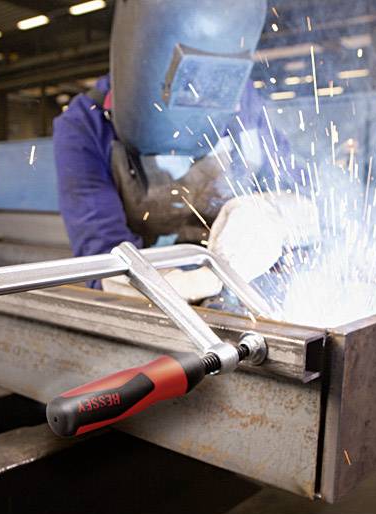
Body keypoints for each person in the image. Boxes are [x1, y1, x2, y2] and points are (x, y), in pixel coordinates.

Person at [53, 0, 309, 302]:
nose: (199, 95)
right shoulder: (84, 125)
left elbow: (309, 200)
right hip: (154, 301)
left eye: (212, 86)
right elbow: (102, 260)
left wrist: (274, 214)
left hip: (254, 289)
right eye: (186, 85)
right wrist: (189, 283)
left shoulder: (248, 104)